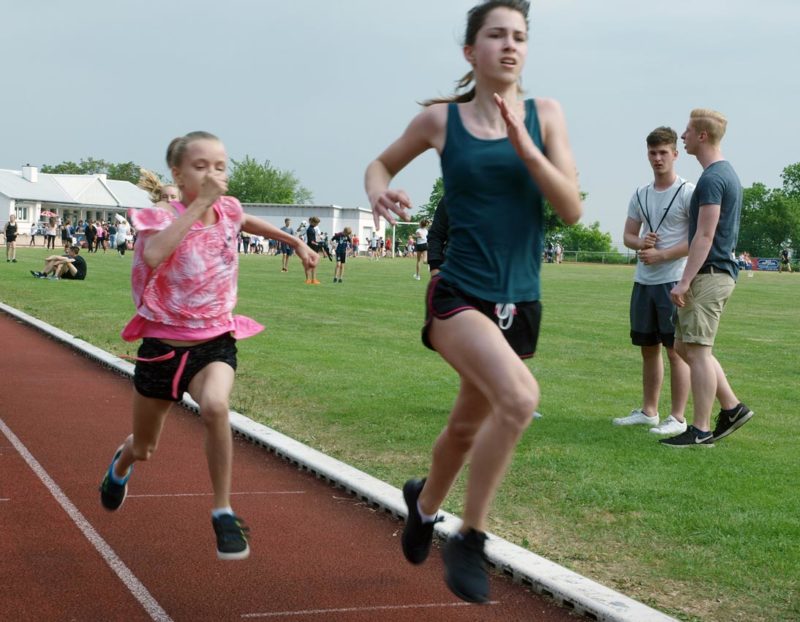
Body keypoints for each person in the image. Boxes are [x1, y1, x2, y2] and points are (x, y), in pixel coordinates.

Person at [364, 0, 581, 603]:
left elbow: (570, 208)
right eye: (495, 35)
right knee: (519, 398)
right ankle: (471, 536)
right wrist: (380, 193)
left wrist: (526, 146)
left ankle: (424, 506)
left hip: (521, 300)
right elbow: (379, 164)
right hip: (459, 293)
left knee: (465, 426)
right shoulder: (442, 121)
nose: (510, 45)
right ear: (470, 51)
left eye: (519, 36)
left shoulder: (547, 115)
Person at [97, 131, 317, 560]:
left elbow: (245, 219)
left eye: (220, 166)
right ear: (178, 174)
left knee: (216, 406)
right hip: (161, 346)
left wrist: (294, 241)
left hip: (213, 341)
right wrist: (197, 205)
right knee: (145, 447)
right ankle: (121, 466)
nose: (213, 174)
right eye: (201, 166)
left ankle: (223, 510)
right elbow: (155, 254)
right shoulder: (158, 215)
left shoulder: (229, 209)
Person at [661, 109, 754, 448]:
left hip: (710, 273)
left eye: (687, 131)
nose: (682, 136)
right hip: (713, 273)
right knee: (684, 346)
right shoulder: (721, 174)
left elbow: (705, 235)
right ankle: (731, 407)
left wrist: (684, 282)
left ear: (701, 136)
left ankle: (700, 430)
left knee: (698, 351)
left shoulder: (714, 178)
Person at [613, 127, 694, 436]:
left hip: (673, 281)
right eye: (652, 153)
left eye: (663, 152)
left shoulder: (688, 191)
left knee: (676, 350)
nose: (658, 158)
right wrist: (641, 243)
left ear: (675, 154)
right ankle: (649, 411)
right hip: (643, 281)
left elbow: (698, 239)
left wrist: (662, 255)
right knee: (648, 348)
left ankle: (677, 416)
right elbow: (628, 236)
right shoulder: (641, 194)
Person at [304, 216, 322, 284]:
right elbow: (311, 241)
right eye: (317, 223)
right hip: (311, 248)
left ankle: (313, 279)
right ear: (313, 222)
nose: (317, 224)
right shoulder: (310, 230)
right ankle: (308, 279)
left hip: (312, 248)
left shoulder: (312, 229)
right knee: (309, 264)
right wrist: (318, 244)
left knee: (313, 264)